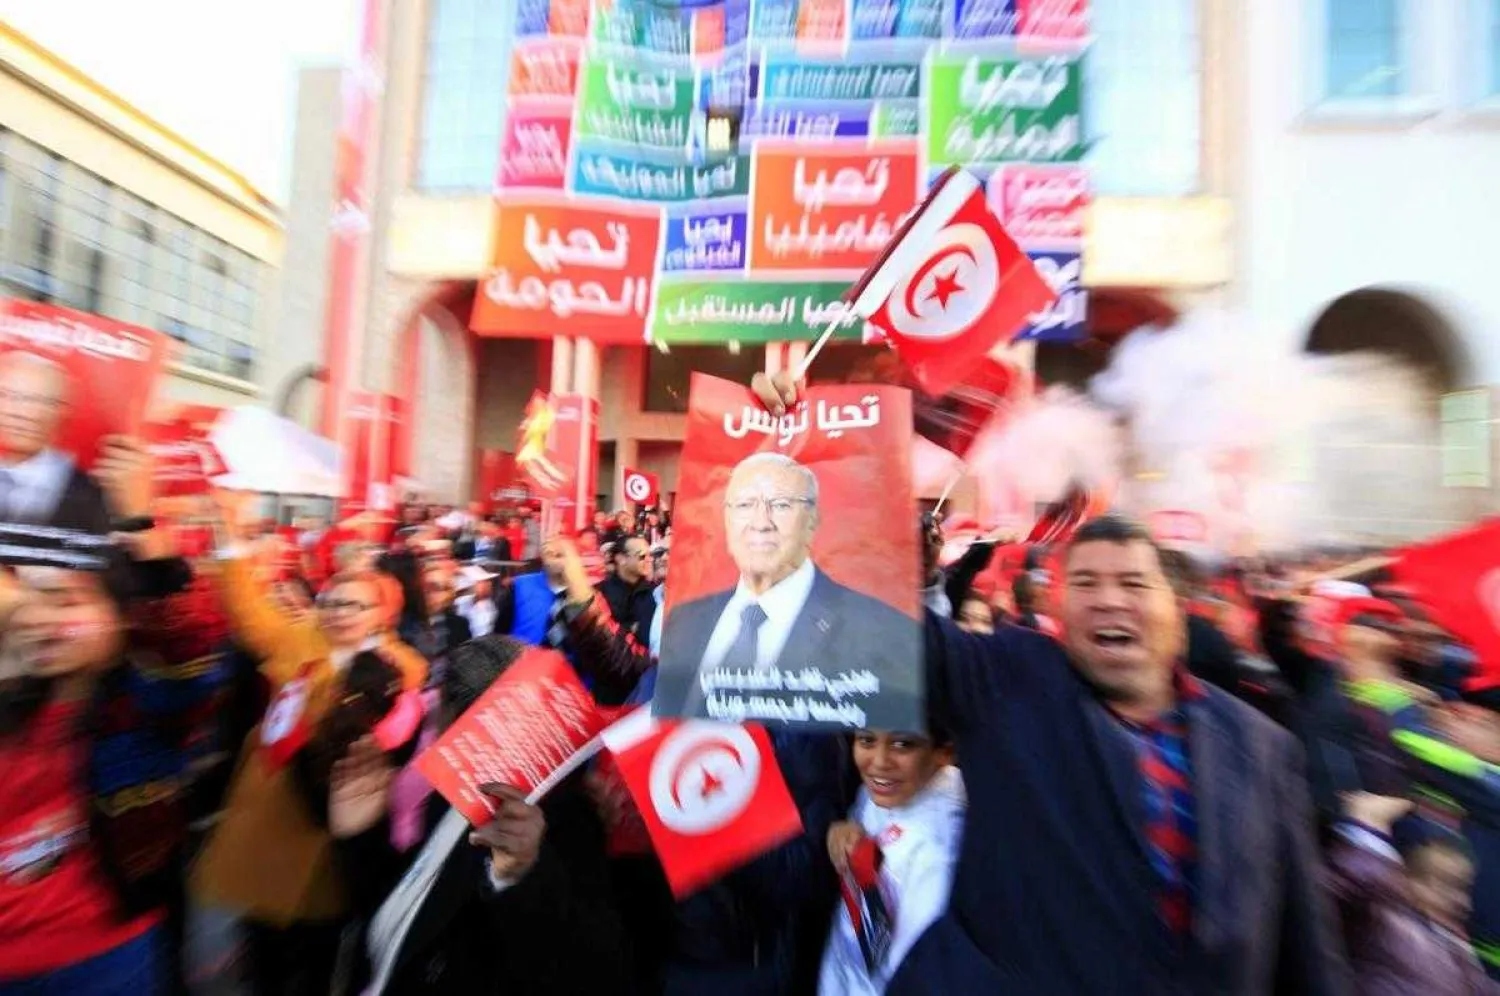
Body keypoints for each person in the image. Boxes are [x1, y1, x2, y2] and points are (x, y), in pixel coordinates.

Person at [752, 370, 1350, 995]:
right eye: (1086, 584)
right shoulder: (1008, 680)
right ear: (1058, 609)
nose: (1108, 601)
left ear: (1178, 605)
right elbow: (868, 627)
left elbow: (1306, 958)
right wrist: (792, 454)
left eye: (1133, 583)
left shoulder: (1262, 748)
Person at [191, 497, 427, 996]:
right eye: (332, 602)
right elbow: (248, 614)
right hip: (269, 817)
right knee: (261, 952)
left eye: (354, 605)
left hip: (329, 827)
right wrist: (230, 543)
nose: (339, 613)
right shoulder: (299, 638)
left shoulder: (401, 667)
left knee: (315, 958)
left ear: (382, 614)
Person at [327, 635, 631, 995]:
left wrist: (519, 877)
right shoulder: (445, 799)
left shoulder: (568, 821)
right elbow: (402, 908)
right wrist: (362, 836)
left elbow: (594, 967)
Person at [0, 532, 224, 992]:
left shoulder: (140, 711)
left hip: (101, 959)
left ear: (121, 620)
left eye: (66, 602)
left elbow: (191, 654)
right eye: (35, 601)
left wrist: (159, 562)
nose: (43, 618)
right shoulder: (14, 702)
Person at [654, 451, 920, 729]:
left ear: (813, 519)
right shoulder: (686, 619)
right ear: (726, 519)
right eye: (745, 505)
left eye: (780, 505)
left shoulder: (873, 628)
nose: (761, 523)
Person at [819, 728, 965, 996]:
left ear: (944, 752)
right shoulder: (880, 793)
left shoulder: (939, 852)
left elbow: (917, 973)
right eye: (866, 740)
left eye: (902, 744)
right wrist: (846, 830)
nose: (879, 761)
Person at [1328, 792, 1496, 995]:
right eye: (1444, 884)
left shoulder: (1455, 949)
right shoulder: (1381, 917)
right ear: (1400, 876)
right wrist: (1366, 830)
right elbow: (1357, 882)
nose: (1462, 903)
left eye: (1463, 888)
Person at [0, 351, 138, 535]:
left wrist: (140, 516)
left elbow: (158, 562)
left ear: (62, 411)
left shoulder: (99, 495)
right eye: (7, 396)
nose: (21, 412)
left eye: (41, 401)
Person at [597, 534, 656, 642]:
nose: (649, 560)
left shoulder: (656, 593)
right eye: (642, 556)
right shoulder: (600, 594)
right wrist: (630, 628)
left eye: (650, 555)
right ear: (621, 559)